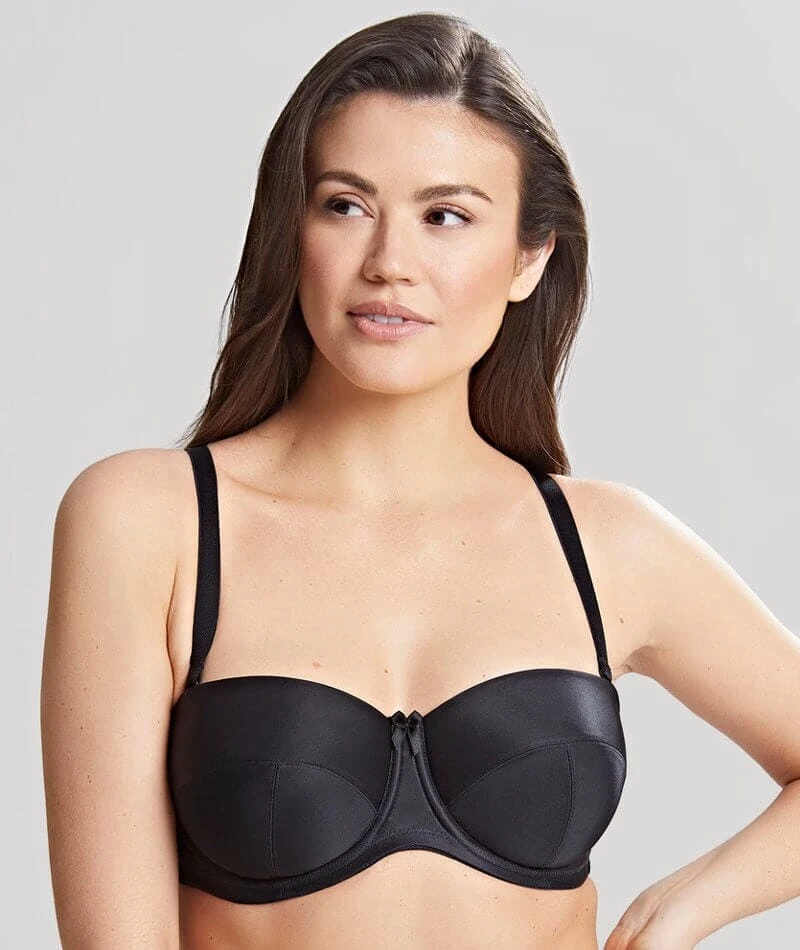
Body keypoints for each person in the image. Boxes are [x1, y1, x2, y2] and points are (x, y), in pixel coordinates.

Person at [40, 11, 800, 950]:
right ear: (291, 230)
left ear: (530, 257)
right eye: (345, 205)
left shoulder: (605, 544)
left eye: (446, 217)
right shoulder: (148, 523)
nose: (389, 264)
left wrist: (676, 913)